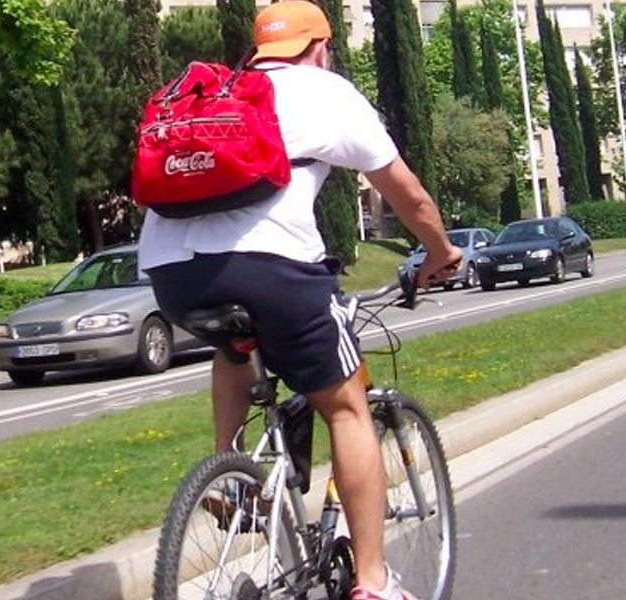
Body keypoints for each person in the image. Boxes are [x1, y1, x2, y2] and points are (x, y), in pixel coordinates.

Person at [137, 2, 463, 599]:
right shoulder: (327, 90)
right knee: (345, 408)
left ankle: (229, 471)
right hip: (272, 268)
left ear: (259, 50)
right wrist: (440, 251)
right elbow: (408, 195)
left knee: (236, 346)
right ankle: (372, 582)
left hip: (171, 274)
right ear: (320, 48)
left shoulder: (223, 94)